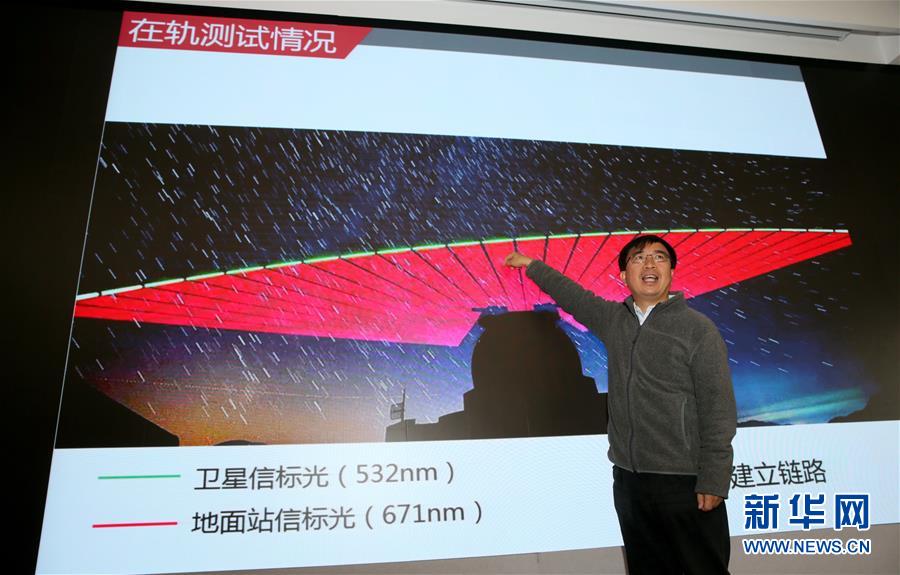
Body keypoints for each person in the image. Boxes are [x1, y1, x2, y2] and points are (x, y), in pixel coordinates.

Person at [505, 235, 736, 574]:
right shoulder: (615, 320)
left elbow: (719, 408)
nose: (649, 263)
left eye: (659, 257)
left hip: (684, 481)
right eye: (638, 258)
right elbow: (573, 296)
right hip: (630, 482)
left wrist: (714, 478)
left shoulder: (698, 330)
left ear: (671, 272)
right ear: (625, 275)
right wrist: (532, 266)